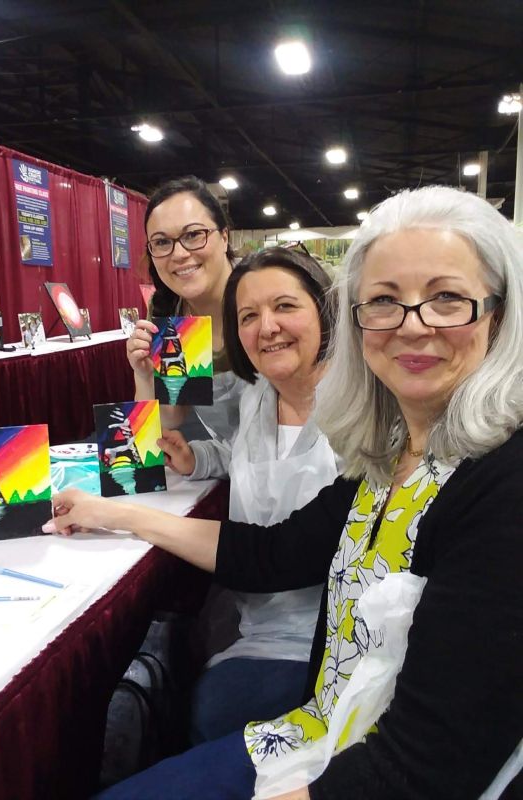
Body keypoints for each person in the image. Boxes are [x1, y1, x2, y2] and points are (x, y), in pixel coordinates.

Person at [44, 185, 523, 800]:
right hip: (323, 727)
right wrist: (116, 512)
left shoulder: (500, 484)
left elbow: (429, 763)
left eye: (447, 298)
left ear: (501, 315)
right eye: (382, 301)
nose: (412, 324)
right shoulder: (381, 454)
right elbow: (272, 552)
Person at [158, 246, 338, 743]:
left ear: (323, 310)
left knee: (214, 713)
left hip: (334, 633)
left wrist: (132, 517)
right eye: (249, 316)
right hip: (257, 617)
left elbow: (285, 550)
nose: (267, 327)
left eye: (285, 306)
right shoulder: (260, 394)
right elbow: (240, 453)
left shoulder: (359, 408)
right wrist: (197, 458)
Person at [127, 175, 244, 441]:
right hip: (230, 464)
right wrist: (144, 376)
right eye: (162, 242)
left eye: (193, 235)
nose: (179, 254)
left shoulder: (262, 296)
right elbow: (170, 417)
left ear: (224, 237)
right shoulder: (170, 312)